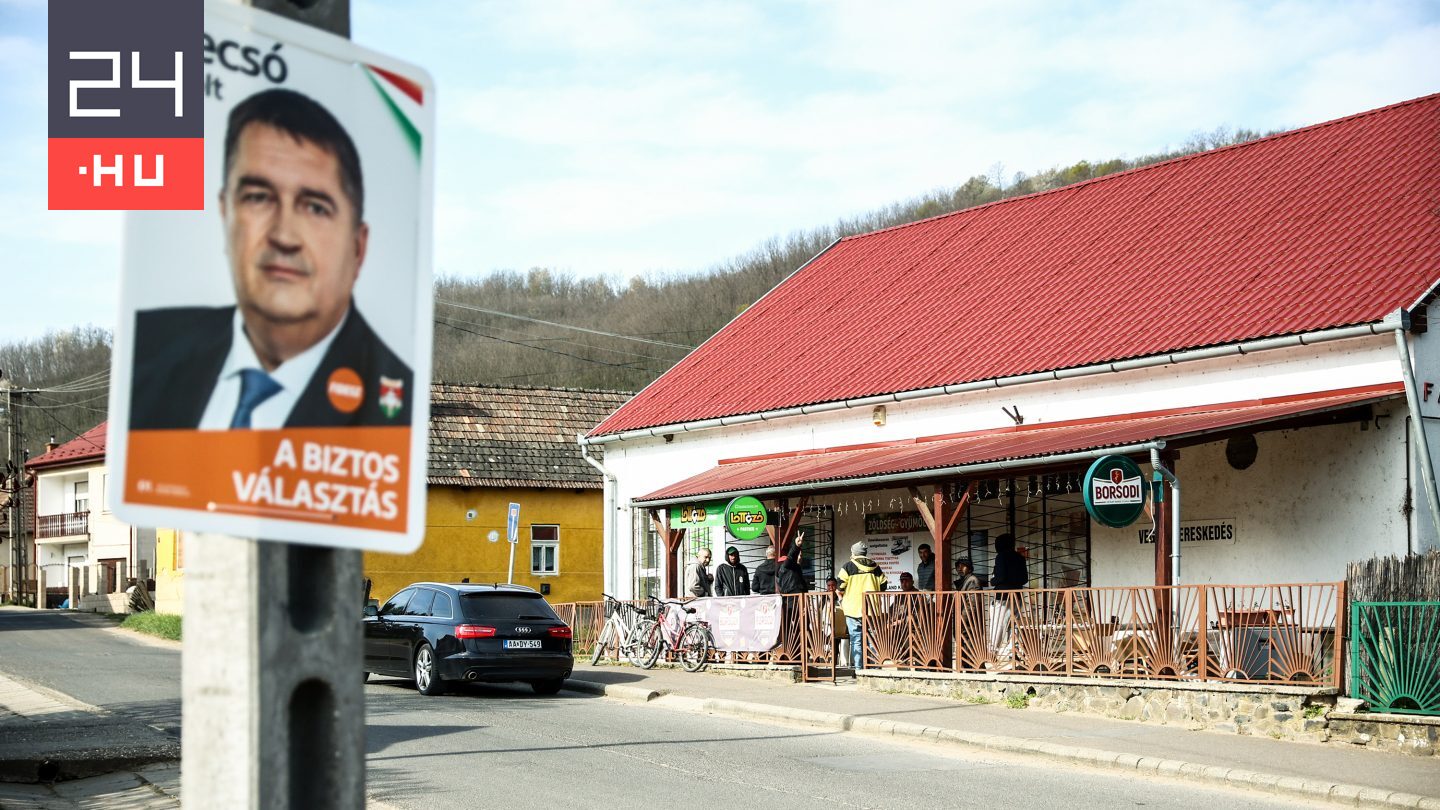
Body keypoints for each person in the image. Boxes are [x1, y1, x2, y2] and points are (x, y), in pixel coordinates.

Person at [130, 88, 413, 431]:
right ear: (225, 214)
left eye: (315, 207)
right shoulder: (146, 351)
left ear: (358, 248)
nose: (284, 236)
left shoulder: (397, 404)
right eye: (259, 197)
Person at [836, 541, 887, 670]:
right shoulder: (876, 567)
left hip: (853, 609)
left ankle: (859, 670)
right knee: (873, 641)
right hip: (872, 610)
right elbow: (883, 586)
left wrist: (841, 599)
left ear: (853, 552)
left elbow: (840, 586)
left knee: (856, 640)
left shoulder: (848, 566)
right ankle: (875, 669)